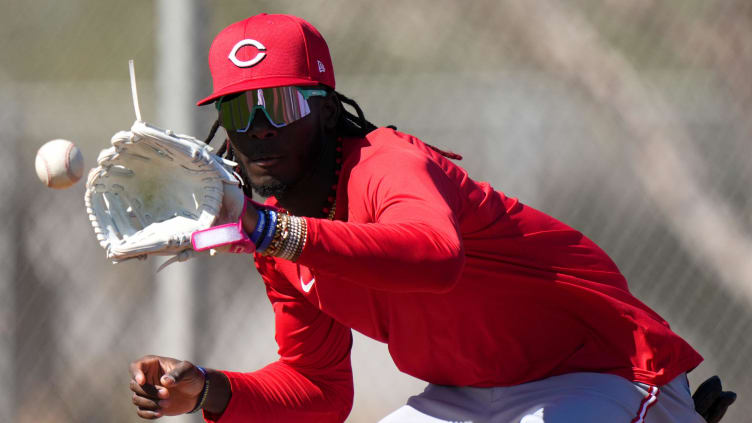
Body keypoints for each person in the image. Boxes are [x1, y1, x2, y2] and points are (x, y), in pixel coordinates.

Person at [129, 13, 709, 423]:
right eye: (237, 107)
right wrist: (211, 391)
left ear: (328, 112)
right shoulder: (277, 234)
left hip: (604, 374)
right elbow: (319, 389)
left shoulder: (388, 166)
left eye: (279, 105)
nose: (257, 127)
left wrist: (270, 232)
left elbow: (435, 257)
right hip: (463, 398)